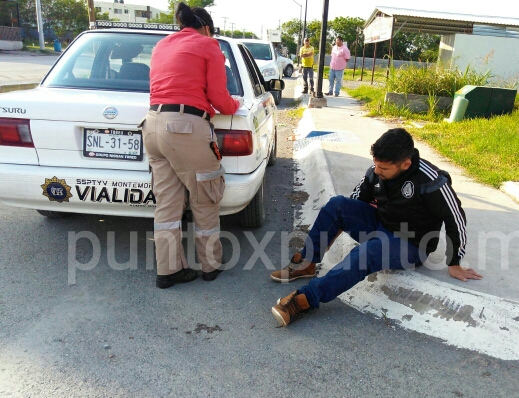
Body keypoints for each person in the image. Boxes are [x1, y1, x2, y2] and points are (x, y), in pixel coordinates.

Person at [270, 128, 482, 326]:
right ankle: (307, 263)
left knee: (365, 253)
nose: (377, 170)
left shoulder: (431, 180)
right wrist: (337, 226)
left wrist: (454, 261)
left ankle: (305, 299)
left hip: (412, 245)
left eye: (384, 168)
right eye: (376, 165)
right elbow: (356, 201)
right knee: (337, 205)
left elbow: (456, 218)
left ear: (405, 164)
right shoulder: (376, 170)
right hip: (381, 224)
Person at [140, 2, 240, 289]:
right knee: (205, 195)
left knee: (168, 204)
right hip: (185, 128)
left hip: (152, 126)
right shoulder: (209, 46)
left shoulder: (161, 46)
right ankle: (210, 266)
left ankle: (169, 271)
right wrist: (235, 104)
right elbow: (220, 99)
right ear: (207, 28)